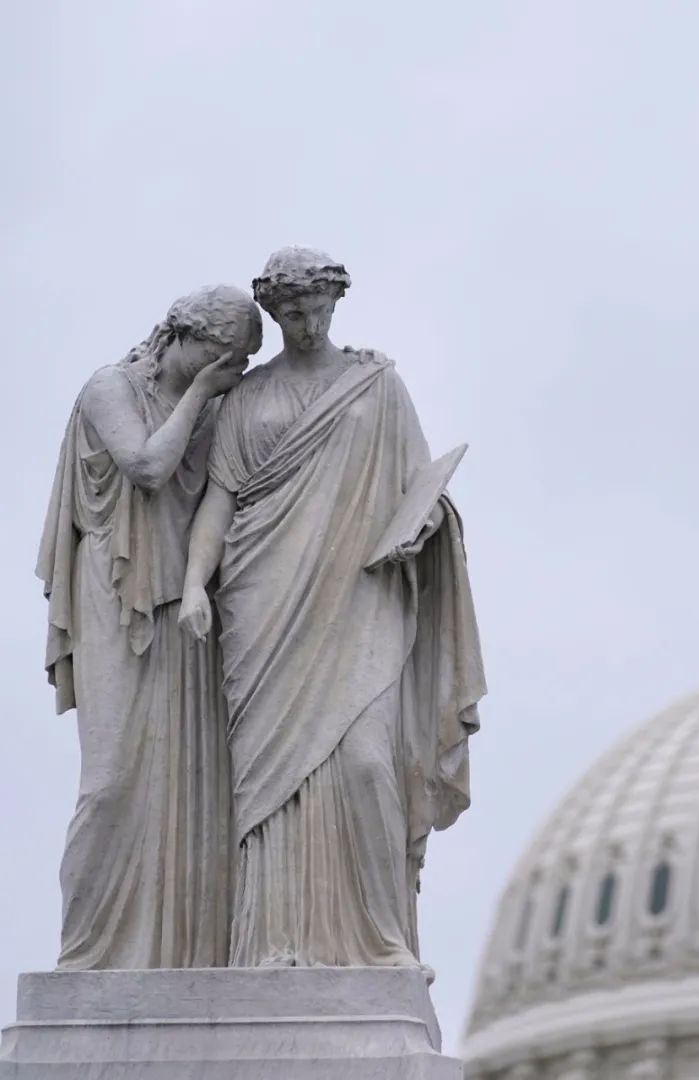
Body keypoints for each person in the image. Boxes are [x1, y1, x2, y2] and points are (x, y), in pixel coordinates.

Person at [180, 246, 485, 969]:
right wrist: (196, 583)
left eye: (317, 308)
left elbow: (422, 488)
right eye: (291, 312)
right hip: (263, 604)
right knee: (268, 784)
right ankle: (272, 943)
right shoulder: (246, 398)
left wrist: (425, 525)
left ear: (336, 304)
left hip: (359, 596)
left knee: (367, 765)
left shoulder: (377, 388)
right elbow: (218, 502)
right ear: (274, 314)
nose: (307, 321)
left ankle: (380, 941)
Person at [37, 284, 262, 969]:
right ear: (181, 337)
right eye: (224, 356)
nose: (234, 373)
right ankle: (87, 954)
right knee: (110, 782)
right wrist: (201, 395)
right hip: (115, 595)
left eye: (244, 363)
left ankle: (182, 957)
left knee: (189, 789)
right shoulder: (111, 387)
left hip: (187, 610)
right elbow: (146, 467)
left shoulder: (221, 406)